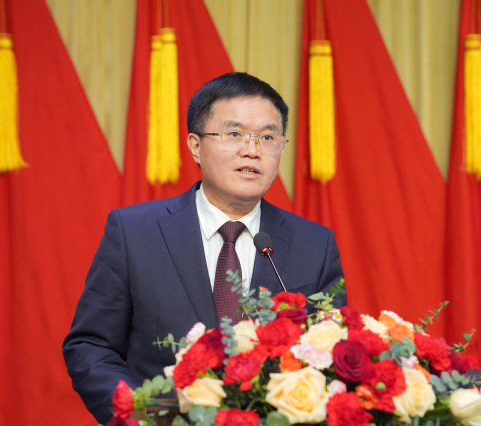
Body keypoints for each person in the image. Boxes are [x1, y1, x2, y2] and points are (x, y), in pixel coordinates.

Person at [62, 72, 345, 423]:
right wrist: (145, 415)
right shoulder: (134, 232)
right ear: (195, 146)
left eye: (268, 137)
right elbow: (91, 347)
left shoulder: (314, 244)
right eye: (234, 134)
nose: (252, 150)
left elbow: (331, 356)